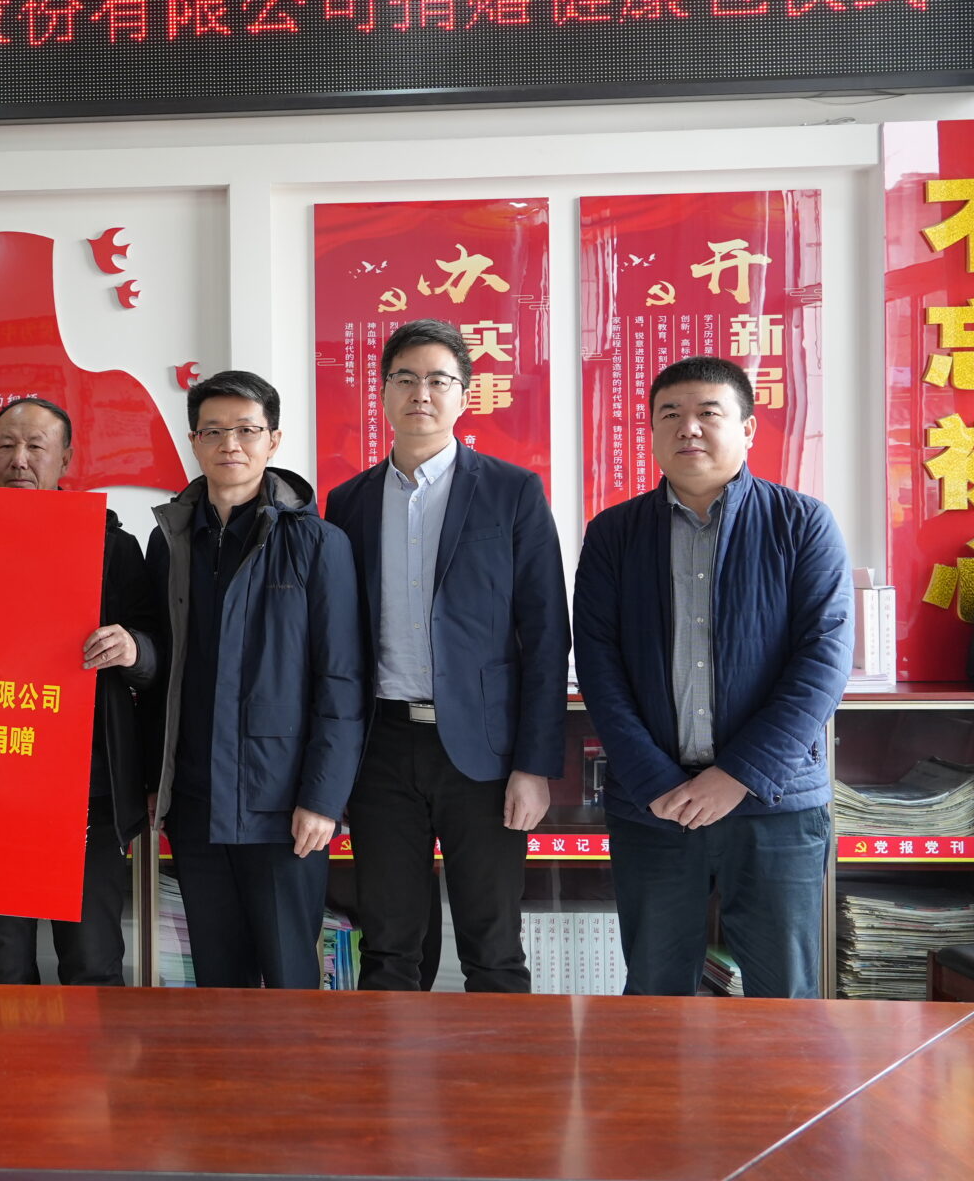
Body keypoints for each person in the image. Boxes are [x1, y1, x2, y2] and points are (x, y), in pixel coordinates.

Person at [574, 355, 850, 999]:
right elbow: (599, 665)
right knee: (655, 991)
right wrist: (655, 781)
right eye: (670, 414)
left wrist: (738, 776)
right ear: (651, 430)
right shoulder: (613, 534)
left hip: (774, 805)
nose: (688, 427)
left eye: (708, 412)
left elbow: (823, 660)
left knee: (785, 995)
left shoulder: (803, 523)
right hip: (655, 807)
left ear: (748, 428)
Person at [325, 319, 569, 993]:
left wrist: (533, 765)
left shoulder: (512, 491)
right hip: (381, 749)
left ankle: (499, 1068)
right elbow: (336, 640)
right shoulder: (348, 502)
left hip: (485, 755)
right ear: (382, 392)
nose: (421, 393)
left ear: (464, 394)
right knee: (389, 950)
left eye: (439, 379)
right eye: (405, 378)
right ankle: (392, 1066)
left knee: (493, 949)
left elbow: (547, 633)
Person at [145, 370, 365, 989]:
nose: (230, 445)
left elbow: (341, 679)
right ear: (194, 440)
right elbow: (163, 672)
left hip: (282, 805)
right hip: (196, 800)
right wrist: (155, 781)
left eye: (246, 430)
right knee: (218, 981)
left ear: (273, 440)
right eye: (213, 431)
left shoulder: (318, 543)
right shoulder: (170, 541)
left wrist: (323, 799)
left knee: (290, 978)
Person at [0, 396, 170, 985]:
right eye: (6, 446)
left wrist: (132, 648)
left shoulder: (111, 547)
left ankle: (90, 1053)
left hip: (85, 787)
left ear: (66, 459)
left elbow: (156, 650)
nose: (19, 459)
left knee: (92, 960)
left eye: (36, 446)